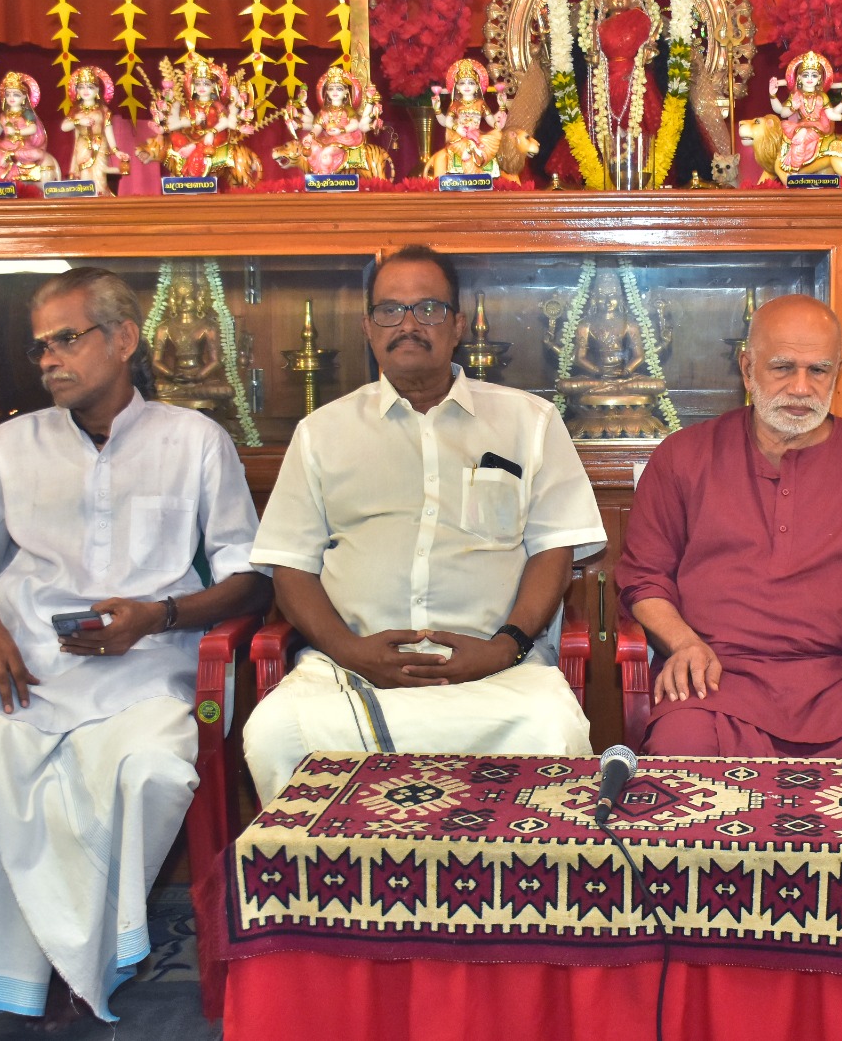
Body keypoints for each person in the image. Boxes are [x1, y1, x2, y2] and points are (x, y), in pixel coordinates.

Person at [0, 268, 272, 1028]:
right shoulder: (8, 446)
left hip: (146, 675)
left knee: (150, 773)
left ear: (123, 340)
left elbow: (249, 577)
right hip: (21, 673)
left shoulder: (194, 441)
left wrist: (157, 616)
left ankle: (80, 956)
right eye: (40, 347)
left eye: (66, 339)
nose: (50, 360)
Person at [243, 245, 605, 804]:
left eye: (428, 309)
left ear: (458, 325)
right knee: (275, 734)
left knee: (551, 731)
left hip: (495, 669)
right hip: (353, 666)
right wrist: (350, 650)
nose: (408, 325)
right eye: (390, 310)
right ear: (368, 326)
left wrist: (502, 648)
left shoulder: (528, 422)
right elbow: (291, 566)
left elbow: (552, 551)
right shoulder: (322, 433)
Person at [616, 294, 842, 759]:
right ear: (747, 369)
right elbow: (644, 579)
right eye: (783, 367)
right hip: (715, 678)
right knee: (681, 760)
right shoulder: (684, 455)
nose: (802, 388)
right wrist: (682, 644)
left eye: (819, 370)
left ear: (838, 372)